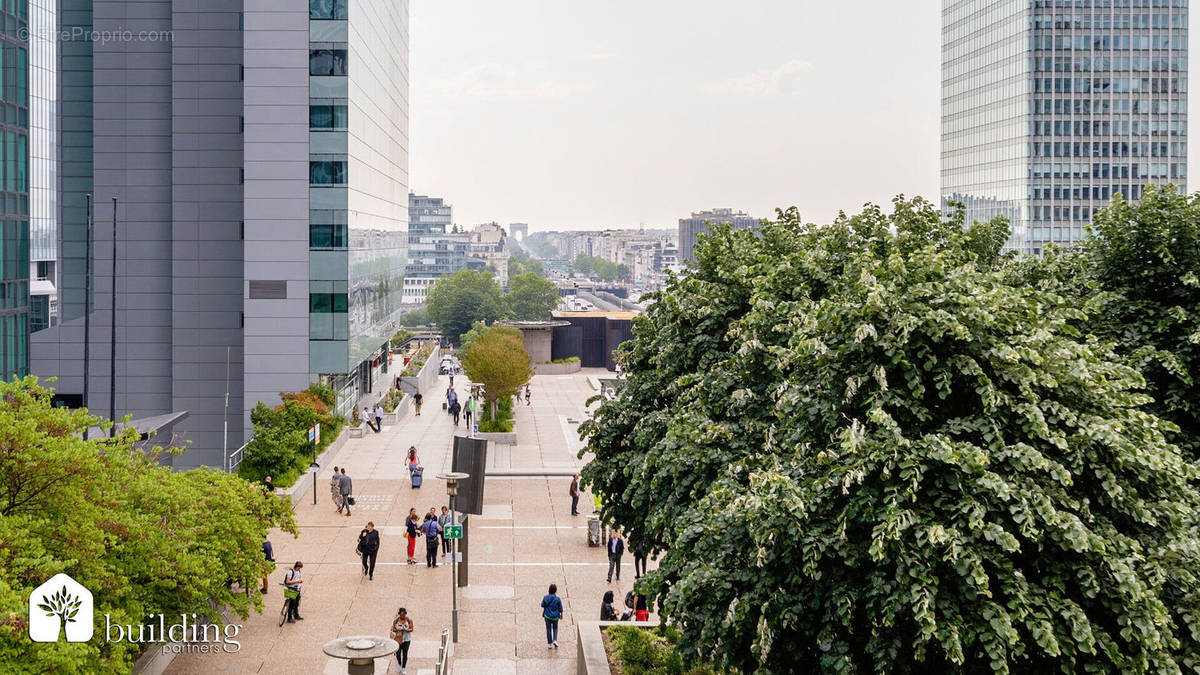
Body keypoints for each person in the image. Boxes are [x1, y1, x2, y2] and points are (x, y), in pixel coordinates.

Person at [390, 607, 414, 675]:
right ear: (399, 614)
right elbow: (393, 629)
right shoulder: (396, 621)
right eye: (401, 615)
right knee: (398, 653)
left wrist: (405, 630)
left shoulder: (409, 620)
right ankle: (399, 664)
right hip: (398, 639)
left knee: (405, 654)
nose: (402, 616)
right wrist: (398, 629)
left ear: (405, 614)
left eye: (403, 615)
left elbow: (411, 629)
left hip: (406, 640)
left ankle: (403, 668)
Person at [541, 583, 563, 649]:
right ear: (556, 591)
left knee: (548, 629)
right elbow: (560, 608)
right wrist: (561, 614)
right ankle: (555, 640)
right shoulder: (558, 599)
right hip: (555, 617)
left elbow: (542, 605)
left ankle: (549, 643)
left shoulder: (545, 597)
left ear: (549, 590)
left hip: (547, 616)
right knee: (555, 628)